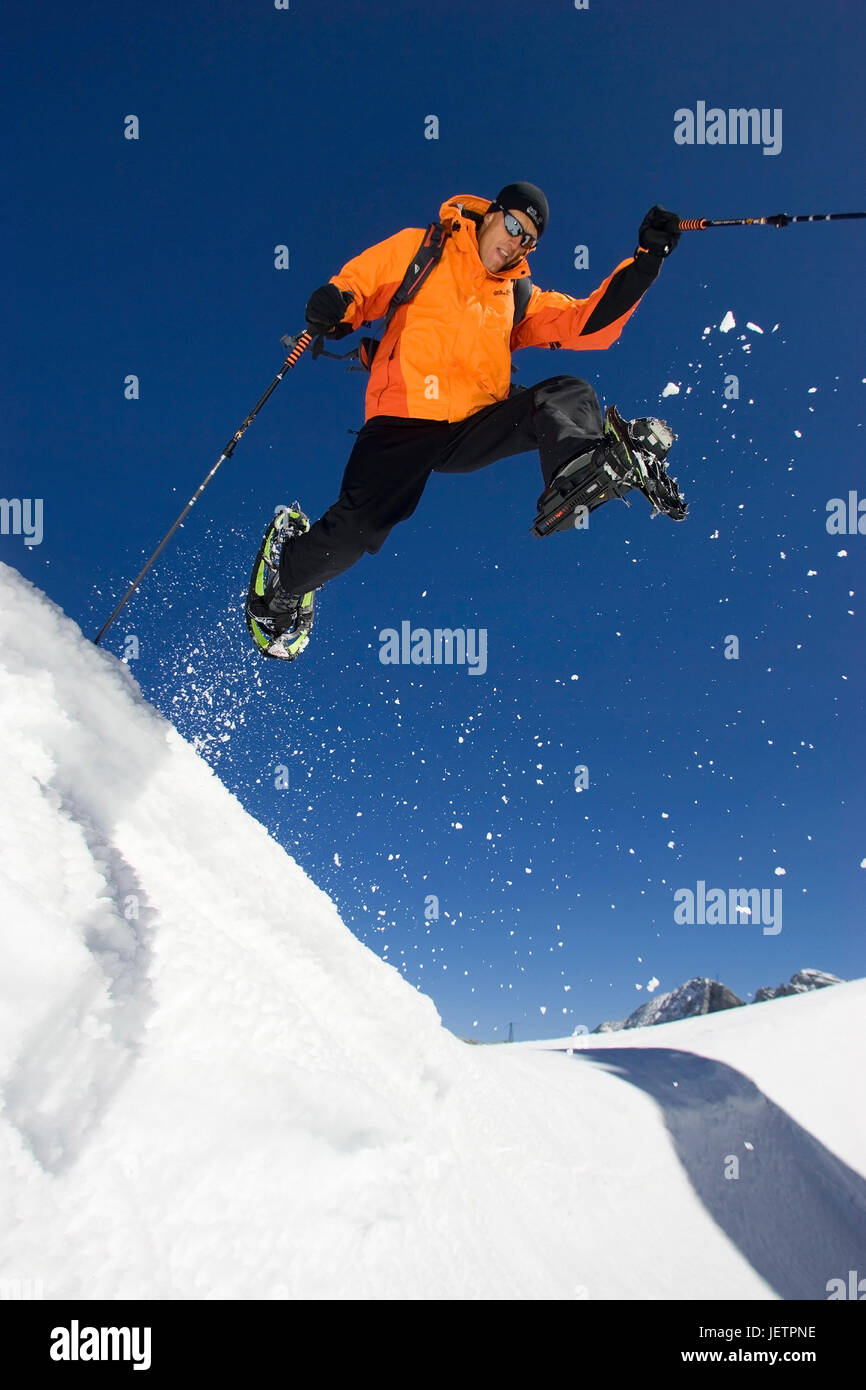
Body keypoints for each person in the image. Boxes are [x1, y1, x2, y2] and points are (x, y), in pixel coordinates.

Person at [248, 183, 683, 635]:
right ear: (491, 214)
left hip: (473, 423)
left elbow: (586, 322)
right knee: (359, 527)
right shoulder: (424, 249)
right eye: (514, 226)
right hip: (405, 416)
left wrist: (646, 262)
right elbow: (362, 285)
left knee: (567, 393)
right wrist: (337, 303)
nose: (516, 242)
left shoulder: (516, 296)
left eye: (528, 239)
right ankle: (286, 581)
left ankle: (580, 467)